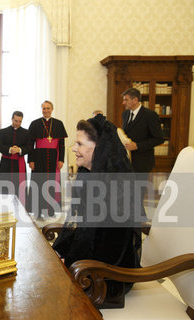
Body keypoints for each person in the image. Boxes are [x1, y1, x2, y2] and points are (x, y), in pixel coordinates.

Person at [52, 114, 144, 308]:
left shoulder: (118, 188)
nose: (74, 149)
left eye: (79, 144)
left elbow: (111, 249)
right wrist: (62, 254)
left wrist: (69, 263)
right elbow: (81, 230)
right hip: (88, 265)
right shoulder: (89, 176)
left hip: (108, 277)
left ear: (100, 147)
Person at [122, 88, 164, 201]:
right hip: (128, 161)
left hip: (142, 161)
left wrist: (138, 146)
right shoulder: (125, 114)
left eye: (126, 100)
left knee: (137, 194)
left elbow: (159, 139)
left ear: (135, 100)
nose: (123, 103)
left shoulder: (150, 115)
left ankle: (137, 217)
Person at [27, 101, 68, 217]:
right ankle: (38, 210)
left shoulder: (58, 124)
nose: (46, 110)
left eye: (48, 108)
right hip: (39, 157)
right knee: (38, 183)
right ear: (41, 109)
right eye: (44, 108)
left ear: (52, 109)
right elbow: (30, 144)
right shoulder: (35, 124)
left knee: (51, 183)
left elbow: (61, 144)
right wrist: (31, 160)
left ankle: (50, 209)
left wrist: (61, 159)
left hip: (53, 157)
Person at [0, 111, 31, 203]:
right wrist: (10, 149)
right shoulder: (4, 131)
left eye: (20, 121)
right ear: (12, 119)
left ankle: (19, 210)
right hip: (5, 164)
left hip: (19, 164)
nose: (17, 123)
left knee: (19, 188)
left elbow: (29, 147)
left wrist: (19, 150)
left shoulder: (26, 132)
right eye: (16, 121)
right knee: (4, 187)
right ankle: (3, 208)